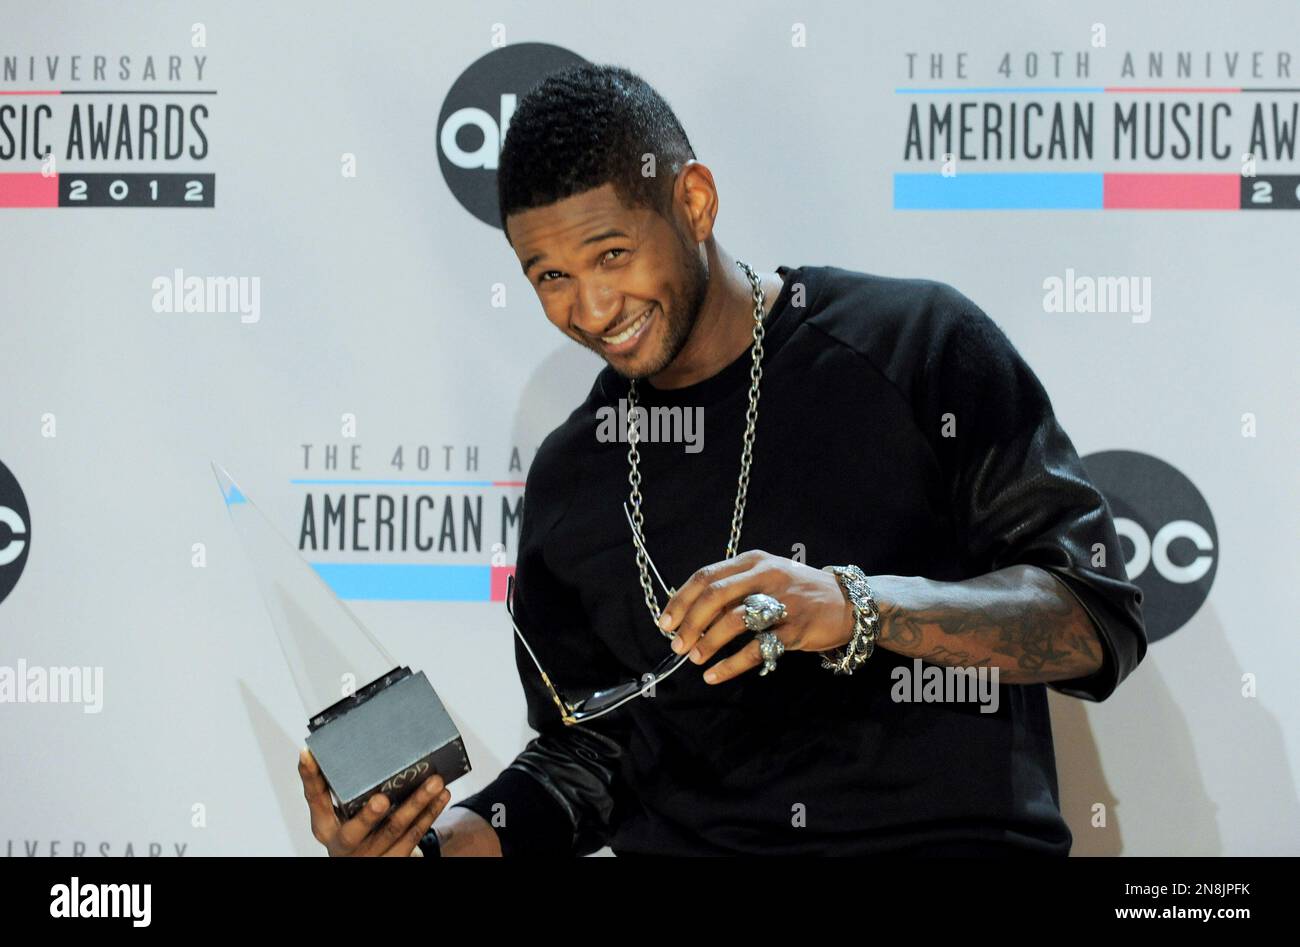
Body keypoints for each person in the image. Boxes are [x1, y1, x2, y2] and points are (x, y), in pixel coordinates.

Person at [300, 62, 1147, 857]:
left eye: (612, 255)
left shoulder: (914, 346)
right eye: (549, 275)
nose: (591, 309)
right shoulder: (571, 478)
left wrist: (857, 607)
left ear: (695, 203)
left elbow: (1092, 619)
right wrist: (446, 839)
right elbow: (590, 747)